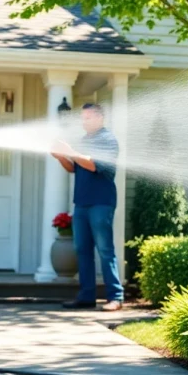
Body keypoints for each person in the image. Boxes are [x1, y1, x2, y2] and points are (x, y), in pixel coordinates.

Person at [51, 103, 124, 311]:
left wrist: (70, 152)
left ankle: (116, 298)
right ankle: (86, 296)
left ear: (101, 118)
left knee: (105, 249)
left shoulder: (108, 140)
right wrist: (61, 157)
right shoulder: (84, 141)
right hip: (81, 203)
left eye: (88, 118)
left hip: (101, 203)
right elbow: (74, 168)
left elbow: (93, 165)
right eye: (82, 118)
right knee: (82, 250)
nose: (84, 122)